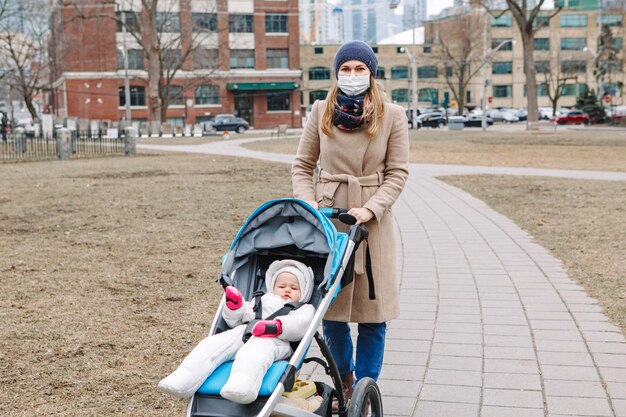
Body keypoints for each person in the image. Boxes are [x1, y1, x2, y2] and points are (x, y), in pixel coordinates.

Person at [291, 40, 409, 410]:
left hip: (372, 224)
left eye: (360, 69)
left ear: (371, 73)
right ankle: (344, 381)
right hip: (329, 220)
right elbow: (302, 165)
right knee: (333, 311)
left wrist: (371, 208)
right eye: (346, 69)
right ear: (337, 73)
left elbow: (397, 173)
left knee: (374, 314)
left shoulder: (392, 115)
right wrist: (308, 201)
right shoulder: (321, 111)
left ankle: (365, 384)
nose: (353, 76)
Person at [158, 259, 316, 404]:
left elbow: (300, 324)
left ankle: (242, 386)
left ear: (304, 291)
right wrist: (236, 307)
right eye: (281, 286)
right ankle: (184, 378)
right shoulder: (262, 299)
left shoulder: (304, 308)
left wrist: (276, 326)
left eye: (294, 288)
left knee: (255, 351)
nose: (287, 290)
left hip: (277, 341)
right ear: (273, 287)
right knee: (213, 344)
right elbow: (241, 318)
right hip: (247, 331)